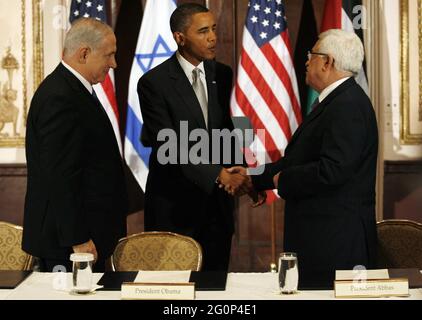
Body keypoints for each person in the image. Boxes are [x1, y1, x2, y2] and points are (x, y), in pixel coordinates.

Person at [229, 29, 378, 287]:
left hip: (335, 245)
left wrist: (282, 179)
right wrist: (253, 178)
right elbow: (298, 159)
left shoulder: (347, 105)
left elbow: (332, 171)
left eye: (312, 54)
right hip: (322, 240)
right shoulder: (335, 102)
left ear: (328, 61)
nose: (307, 60)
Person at [138, 3, 262, 271]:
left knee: (214, 288)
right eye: (203, 31)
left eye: (214, 29)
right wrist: (219, 175)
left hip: (216, 210)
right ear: (180, 38)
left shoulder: (223, 74)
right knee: (172, 291)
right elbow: (168, 144)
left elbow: (233, 130)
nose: (213, 38)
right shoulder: (153, 83)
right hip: (174, 209)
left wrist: (248, 179)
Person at [23, 18, 128, 272]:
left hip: (81, 238)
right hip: (69, 246)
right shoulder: (60, 96)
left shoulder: (73, 90)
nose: (113, 64)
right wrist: (77, 238)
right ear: (84, 53)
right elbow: (60, 175)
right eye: (109, 55)